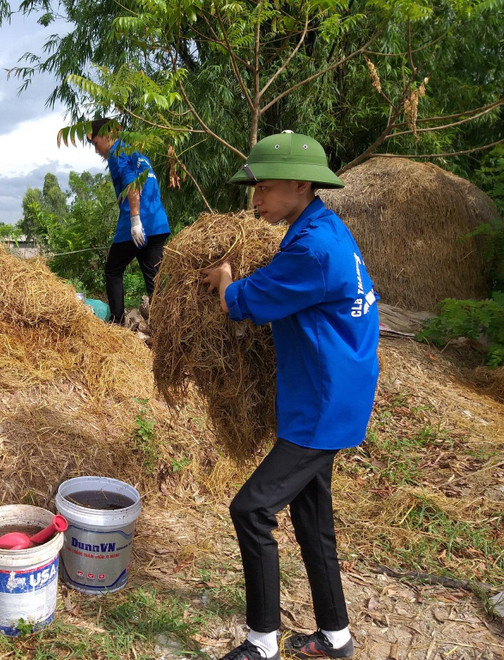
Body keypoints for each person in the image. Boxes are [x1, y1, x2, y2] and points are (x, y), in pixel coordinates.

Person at [202, 131, 379, 660]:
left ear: (301, 184)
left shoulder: (315, 250)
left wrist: (227, 279)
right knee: (311, 519)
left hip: (322, 403)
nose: (255, 199)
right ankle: (336, 637)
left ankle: (262, 643)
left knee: (251, 510)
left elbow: (243, 302)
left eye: (265, 188)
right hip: (330, 392)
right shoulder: (322, 227)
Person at [88, 118, 170, 324]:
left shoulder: (117, 153)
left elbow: (132, 185)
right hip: (158, 223)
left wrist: (135, 220)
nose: (97, 151)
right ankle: (163, 327)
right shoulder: (136, 152)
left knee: (113, 270)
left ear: (107, 136)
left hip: (137, 223)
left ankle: (116, 323)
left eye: (96, 143)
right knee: (154, 279)